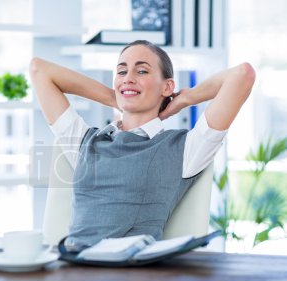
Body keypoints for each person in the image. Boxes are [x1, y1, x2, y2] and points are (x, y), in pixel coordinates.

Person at [30, 40, 255, 250]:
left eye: (142, 71)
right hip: (71, 272)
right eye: (121, 72)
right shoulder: (85, 142)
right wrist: (115, 97)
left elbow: (242, 74)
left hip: (130, 279)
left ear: (167, 87)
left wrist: (185, 98)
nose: (128, 77)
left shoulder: (184, 149)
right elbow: (39, 70)